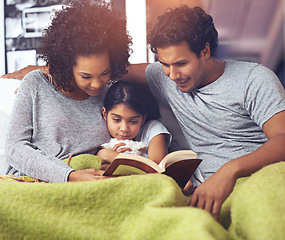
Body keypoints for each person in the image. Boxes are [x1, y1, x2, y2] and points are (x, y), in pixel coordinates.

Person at [3, 5, 285, 221]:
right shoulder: (163, 77)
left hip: (252, 175)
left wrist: (229, 172)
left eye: (181, 63)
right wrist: (43, 69)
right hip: (186, 190)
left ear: (206, 51)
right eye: (164, 63)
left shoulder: (254, 79)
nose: (173, 75)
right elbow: (104, 67)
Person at [4, 0, 132, 183]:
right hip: (43, 181)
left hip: (96, 181)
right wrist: (69, 175)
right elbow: (14, 149)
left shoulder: (112, 94)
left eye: (105, 73)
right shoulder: (35, 85)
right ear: (66, 66)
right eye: (85, 76)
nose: (97, 84)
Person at [97, 80, 172, 165]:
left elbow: (155, 168)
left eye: (133, 121)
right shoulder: (105, 137)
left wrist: (110, 156)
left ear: (143, 119)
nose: (124, 129)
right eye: (117, 120)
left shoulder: (153, 129)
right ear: (104, 114)